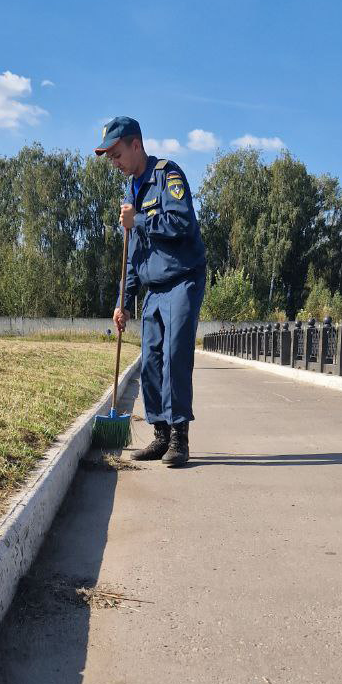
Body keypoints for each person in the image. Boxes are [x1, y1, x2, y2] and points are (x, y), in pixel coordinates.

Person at [95, 116, 206, 467]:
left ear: (136, 145)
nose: (114, 162)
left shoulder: (167, 175)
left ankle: (179, 438)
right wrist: (123, 303)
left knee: (174, 355)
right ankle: (160, 434)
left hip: (182, 279)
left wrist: (138, 220)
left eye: (116, 153)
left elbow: (182, 222)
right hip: (154, 288)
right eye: (109, 156)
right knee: (152, 360)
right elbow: (132, 255)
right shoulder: (132, 192)